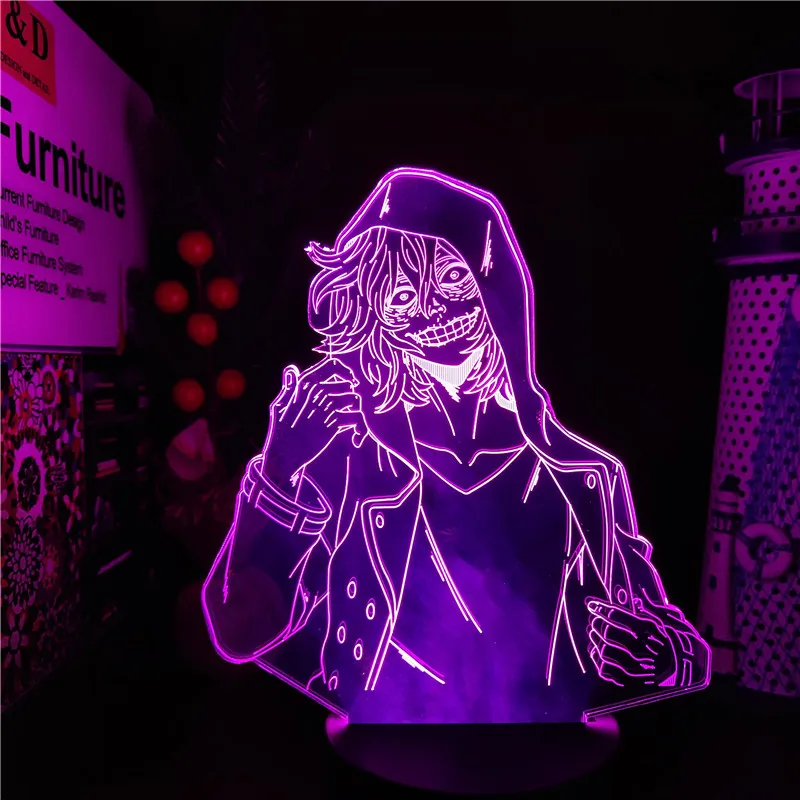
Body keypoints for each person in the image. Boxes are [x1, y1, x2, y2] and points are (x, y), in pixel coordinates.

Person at [202, 168, 710, 723]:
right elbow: (239, 631)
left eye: (451, 277)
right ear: (372, 314)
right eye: (400, 295)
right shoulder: (346, 451)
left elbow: (667, 642)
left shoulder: (584, 478)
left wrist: (665, 658)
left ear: (495, 281)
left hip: (543, 749)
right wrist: (279, 469)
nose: (434, 311)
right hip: (378, 746)